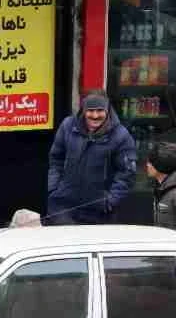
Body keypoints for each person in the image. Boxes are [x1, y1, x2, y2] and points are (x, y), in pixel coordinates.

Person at [47, 91, 136, 225]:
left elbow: (127, 174)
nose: (95, 115)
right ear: (83, 110)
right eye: (91, 110)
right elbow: (56, 159)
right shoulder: (68, 126)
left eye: (100, 110)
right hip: (63, 207)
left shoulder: (121, 136)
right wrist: (54, 188)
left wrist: (110, 201)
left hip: (99, 212)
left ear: (107, 110)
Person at [147, 141, 176, 229]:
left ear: (160, 164)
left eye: (150, 162)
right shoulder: (161, 188)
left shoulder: (174, 193)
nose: (147, 165)